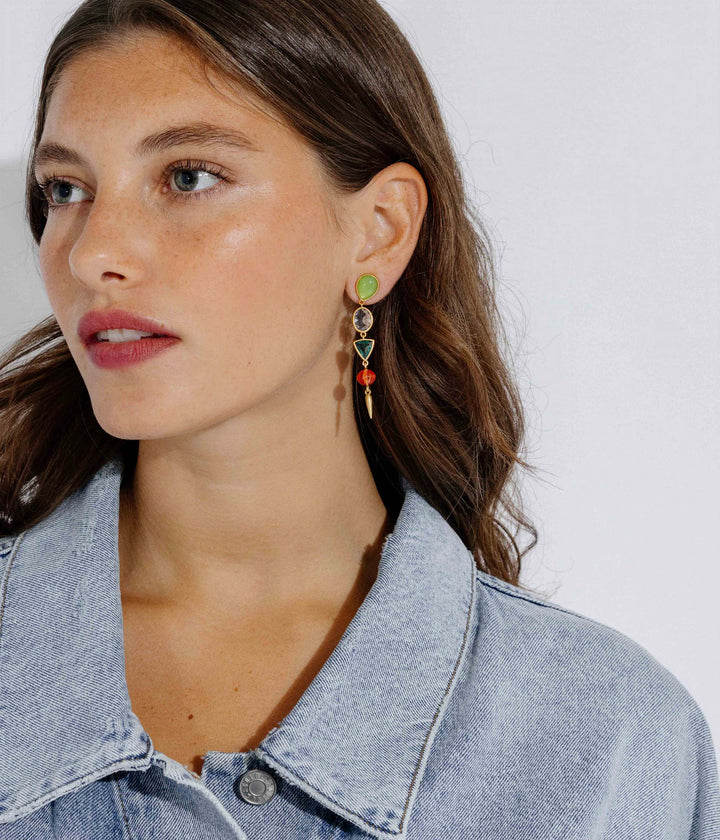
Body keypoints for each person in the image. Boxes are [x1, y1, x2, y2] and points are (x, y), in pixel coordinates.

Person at [0, 0, 717, 837]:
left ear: (379, 231)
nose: (92, 253)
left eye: (188, 177)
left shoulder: (608, 741)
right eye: (66, 189)